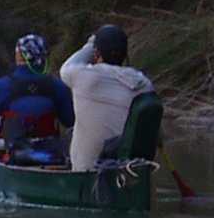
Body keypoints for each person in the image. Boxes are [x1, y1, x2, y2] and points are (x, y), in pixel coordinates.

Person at [60, 22, 162, 172]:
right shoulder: (143, 84)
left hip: (87, 172)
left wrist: (92, 42)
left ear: (96, 53)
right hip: (131, 169)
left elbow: (68, 65)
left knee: (69, 136)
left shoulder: (83, 77)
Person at [0, 33, 68, 165]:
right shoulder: (58, 85)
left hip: (14, 154)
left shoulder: (1, 86)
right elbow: (69, 120)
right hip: (51, 152)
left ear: (20, 56)